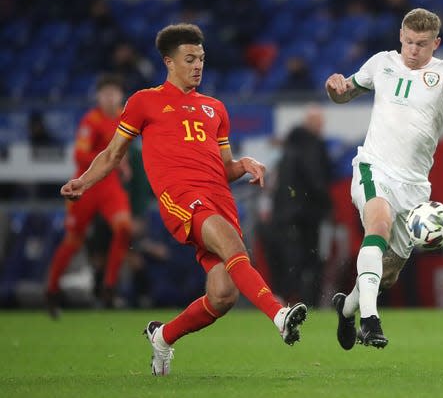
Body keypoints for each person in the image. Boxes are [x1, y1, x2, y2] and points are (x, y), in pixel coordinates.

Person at [59, 23, 306, 376]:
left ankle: (163, 336)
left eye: (202, 59)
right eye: (189, 59)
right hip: (182, 198)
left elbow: (224, 167)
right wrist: (84, 181)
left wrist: (244, 164)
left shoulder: (215, 109)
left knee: (223, 295)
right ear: (168, 62)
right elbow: (113, 154)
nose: (197, 66)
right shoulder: (144, 102)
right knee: (235, 245)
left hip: (219, 199)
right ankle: (279, 314)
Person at [325, 8, 443, 349]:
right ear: (401, 35)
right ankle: (370, 321)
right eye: (409, 42)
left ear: (436, 43)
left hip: (413, 187)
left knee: (388, 272)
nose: (413, 50)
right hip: (374, 167)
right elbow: (345, 93)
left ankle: (348, 307)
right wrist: (335, 87)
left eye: (422, 44)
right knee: (377, 224)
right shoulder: (380, 63)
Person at [46, 74, 133, 317]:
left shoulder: (124, 119)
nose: (110, 97)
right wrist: (112, 160)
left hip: (110, 186)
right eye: (105, 93)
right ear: (98, 96)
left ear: (120, 95)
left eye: (114, 92)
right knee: (74, 240)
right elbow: (79, 156)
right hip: (86, 185)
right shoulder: (91, 120)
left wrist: (123, 166)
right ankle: (51, 291)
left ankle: (109, 287)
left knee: (124, 228)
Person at [267, 106, 333, 306]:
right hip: (306, 216)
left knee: (287, 262)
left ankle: (283, 301)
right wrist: (328, 205)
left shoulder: (290, 147)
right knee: (309, 261)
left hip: (283, 216)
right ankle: (307, 302)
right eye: (319, 123)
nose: (322, 127)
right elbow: (316, 181)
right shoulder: (312, 146)